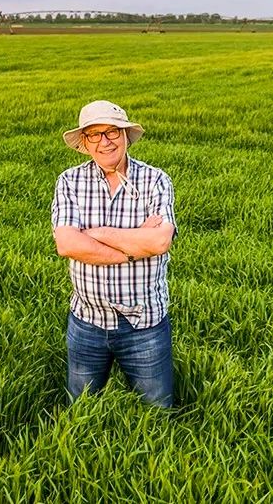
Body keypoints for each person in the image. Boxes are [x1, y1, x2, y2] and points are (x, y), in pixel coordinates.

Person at [51, 100, 177, 407]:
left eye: (111, 132)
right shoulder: (70, 181)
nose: (104, 141)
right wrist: (134, 247)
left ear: (124, 135)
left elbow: (160, 242)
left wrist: (95, 234)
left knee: (157, 411)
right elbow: (67, 244)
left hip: (145, 323)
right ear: (85, 142)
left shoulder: (155, 180)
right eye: (94, 134)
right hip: (87, 322)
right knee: (80, 411)